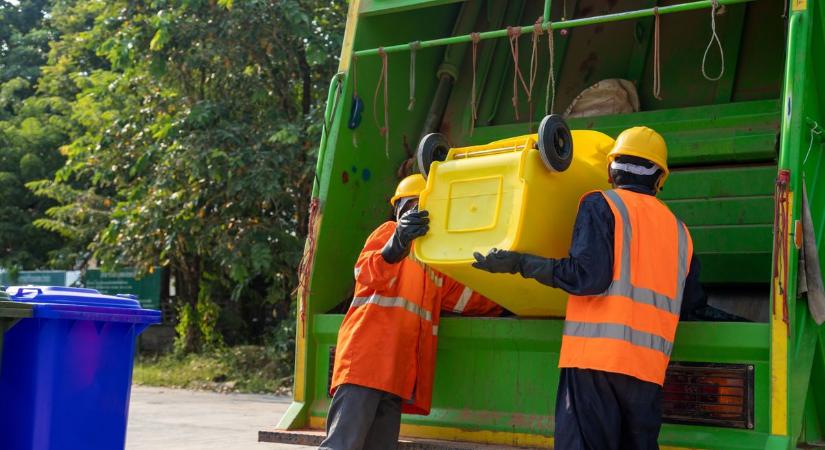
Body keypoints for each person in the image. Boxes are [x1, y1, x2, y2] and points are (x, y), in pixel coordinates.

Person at [472, 127, 732, 449]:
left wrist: (519, 263)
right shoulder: (681, 233)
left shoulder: (602, 205)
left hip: (595, 364)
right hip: (647, 374)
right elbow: (692, 306)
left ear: (611, 169)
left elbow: (587, 277)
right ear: (660, 179)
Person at [320, 174, 503, 450]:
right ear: (398, 211)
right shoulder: (387, 233)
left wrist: (511, 295)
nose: (416, 214)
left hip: (396, 375)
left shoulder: (435, 263)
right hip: (365, 367)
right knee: (342, 445)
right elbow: (365, 271)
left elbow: (468, 299)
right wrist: (396, 244)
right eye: (410, 207)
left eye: (423, 206)